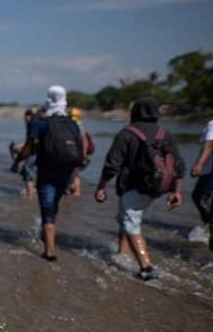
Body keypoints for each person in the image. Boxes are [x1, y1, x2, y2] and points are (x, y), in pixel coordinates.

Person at [94, 96, 186, 281]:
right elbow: (179, 165)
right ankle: (121, 254)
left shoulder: (127, 134)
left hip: (132, 186)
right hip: (155, 189)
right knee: (128, 217)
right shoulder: (164, 133)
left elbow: (112, 165)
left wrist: (101, 187)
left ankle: (146, 267)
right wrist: (176, 191)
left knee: (130, 223)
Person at [11, 85, 84, 261]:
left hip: (47, 172)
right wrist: (75, 177)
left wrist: (16, 162)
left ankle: (50, 251)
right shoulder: (72, 124)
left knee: (47, 209)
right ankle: (47, 234)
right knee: (53, 206)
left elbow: (28, 147)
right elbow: (77, 151)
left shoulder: (41, 123)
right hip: (66, 172)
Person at [188, 119, 213, 243]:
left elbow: (209, 144)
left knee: (199, 197)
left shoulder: (212, 124)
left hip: (210, 169)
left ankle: (208, 225)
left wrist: (198, 163)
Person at [10, 108, 41, 200]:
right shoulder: (36, 123)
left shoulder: (34, 124)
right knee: (27, 171)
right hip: (36, 151)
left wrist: (16, 162)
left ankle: (29, 197)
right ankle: (31, 192)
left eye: (28, 115)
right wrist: (20, 146)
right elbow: (31, 141)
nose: (26, 118)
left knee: (27, 171)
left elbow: (32, 142)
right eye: (26, 115)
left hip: (34, 152)